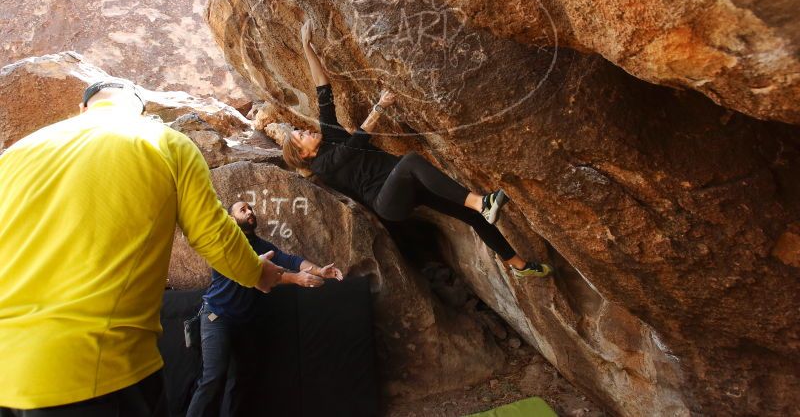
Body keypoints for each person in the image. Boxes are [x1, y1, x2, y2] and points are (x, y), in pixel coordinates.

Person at [0, 79, 284, 416]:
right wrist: (256, 272)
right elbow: (213, 235)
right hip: (93, 368)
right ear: (141, 111)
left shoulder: (16, 153)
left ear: (83, 108)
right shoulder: (165, 142)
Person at [282, 21, 552, 278]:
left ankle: (519, 266)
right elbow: (355, 144)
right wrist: (379, 108)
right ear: (303, 154)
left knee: (469, 215)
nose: (306, 131)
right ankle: (482, 203)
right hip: (387, 201)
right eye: (301, 136)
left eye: (301, 130)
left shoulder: (328, 134)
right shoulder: (322, 166)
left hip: (405, 184)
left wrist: (307, 47)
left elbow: (323, 87)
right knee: (411, 161)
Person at [186, 201, 343, 417]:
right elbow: (254, 274)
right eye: (243, 210)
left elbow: (290, 260)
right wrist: (296, 279)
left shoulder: (261, 246)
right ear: (231, 219)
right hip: (216, 317)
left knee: (240, 380)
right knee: (214, 377)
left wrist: (319, 270)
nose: (250, 211)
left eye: (250, 208)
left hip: (244, 324)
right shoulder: (227, 244)